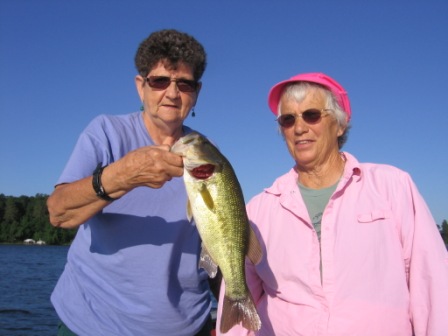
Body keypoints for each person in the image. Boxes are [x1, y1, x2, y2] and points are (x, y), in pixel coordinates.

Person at [216, 72, 448, 335]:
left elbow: (432, 287)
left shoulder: (393, 186)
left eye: (312, 115)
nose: (299, 128)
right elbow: (238, 303)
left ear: (339, 125)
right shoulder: (258, 209)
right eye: (288, 119)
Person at [47, 29, 218, 336]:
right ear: (141, 87)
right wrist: (123, 175)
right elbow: (59, 213)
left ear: (197, 92)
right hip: (91, 325)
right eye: (160, 81)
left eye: (185, 84)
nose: (172, 92)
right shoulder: (105, 132)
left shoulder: (206, 154)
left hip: (190, 326)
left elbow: (219, 243)